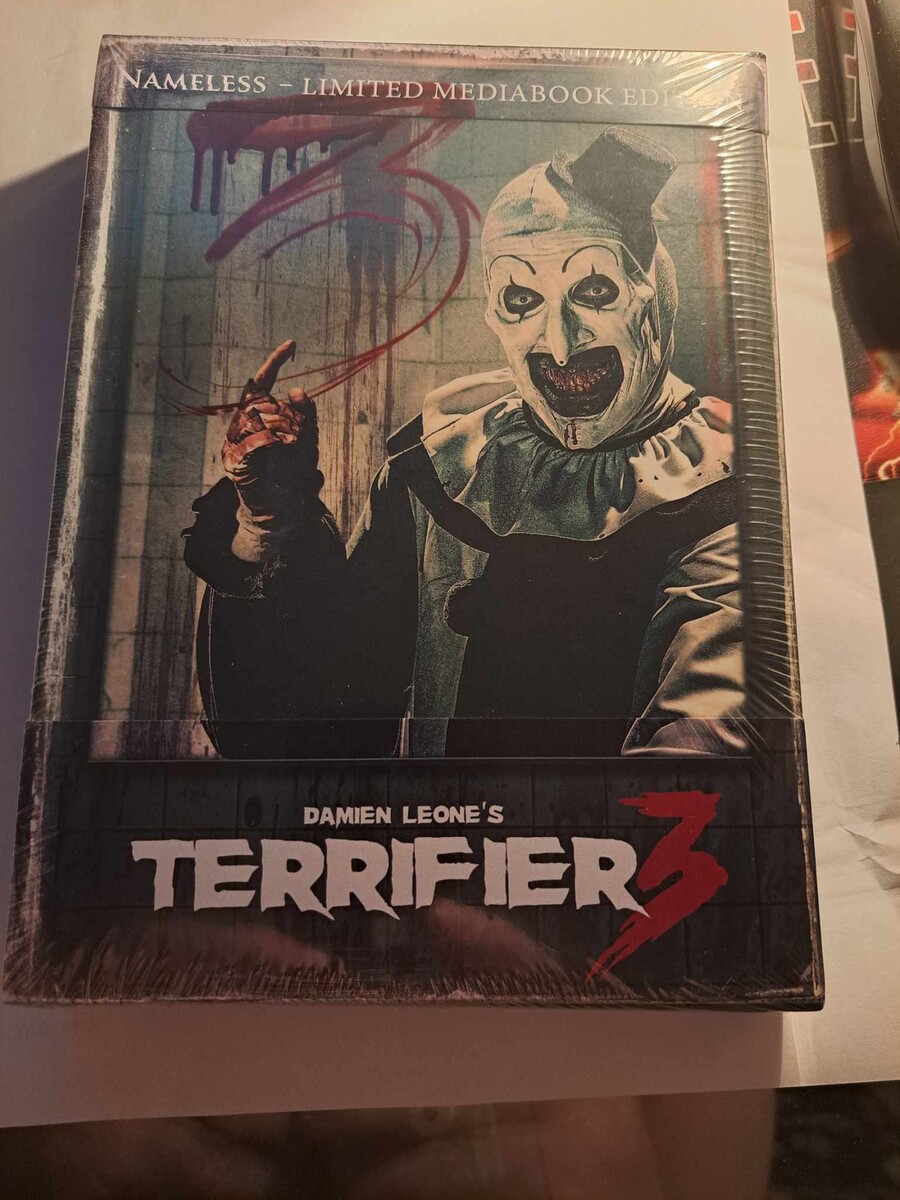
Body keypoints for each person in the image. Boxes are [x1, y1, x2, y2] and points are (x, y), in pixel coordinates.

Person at [184, 127, 744, 760]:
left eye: (594, 292)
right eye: (522, 298)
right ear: (494, 313)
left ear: (653, 298)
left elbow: (701, 757)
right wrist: (265, 525)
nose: (560, 345)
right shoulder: (442, 466)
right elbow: (315, 730)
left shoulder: (723, 486)